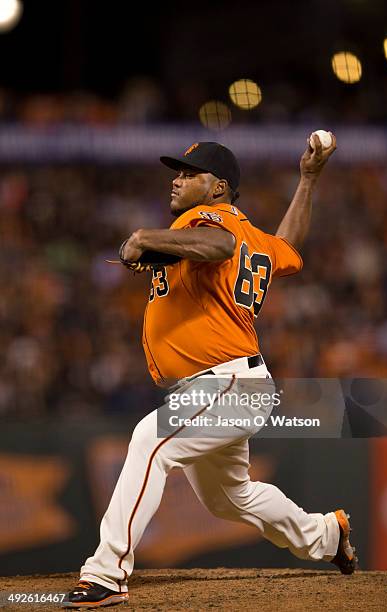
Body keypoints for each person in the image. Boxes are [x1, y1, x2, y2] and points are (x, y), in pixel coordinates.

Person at [66, 137, 356, 608]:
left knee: (150, 439)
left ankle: (106, 572)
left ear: (218, 187)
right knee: (229, 497)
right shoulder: (252, 237)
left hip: (228, 384)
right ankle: (325, 534)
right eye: (176, 172)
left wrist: (144, 238)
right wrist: (308, 180)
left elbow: (219, 245)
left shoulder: (210, 221)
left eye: (188, 173)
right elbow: (288, 247)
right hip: (227, 384)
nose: (176, 179)